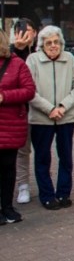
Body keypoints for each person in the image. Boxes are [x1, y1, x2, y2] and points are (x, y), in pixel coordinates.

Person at [26, 26, 74, 210]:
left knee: (65, 156)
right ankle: (47, 195)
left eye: (56, 42)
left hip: (66, 117)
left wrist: (62, 107)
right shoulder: (33, 60)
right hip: (41, 118)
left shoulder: (70, 59)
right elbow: (30, 91)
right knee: (43, 157)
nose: (53, 46)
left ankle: (63, 193)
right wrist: (49, 108)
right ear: (42, 45)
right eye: (49, 43)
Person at [0, 28, 36, 224]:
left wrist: (5, 96)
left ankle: (7, 206)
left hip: (11, 123)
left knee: (8, 167)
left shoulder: (17, 63)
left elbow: (29, 91)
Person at [11, 18, 37, 204]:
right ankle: (23, 185)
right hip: (23, 110)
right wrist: (18, 49)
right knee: (22, 150)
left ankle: (45, 181)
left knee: (43, 150)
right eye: (23, 31)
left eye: (30, 31)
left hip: (44, 109)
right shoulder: (12, 54)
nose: (27, 35)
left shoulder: (42, 50)